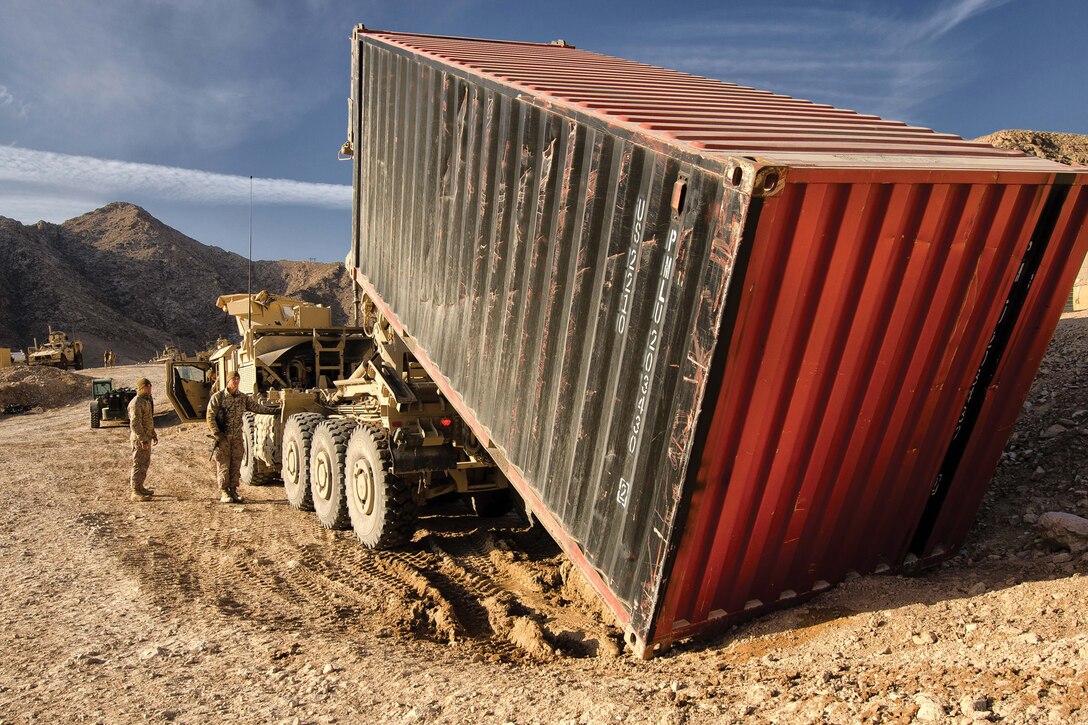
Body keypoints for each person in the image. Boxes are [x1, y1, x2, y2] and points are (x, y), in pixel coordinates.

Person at [206, 370, 277, 503]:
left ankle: (233, 491)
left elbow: (257, 408)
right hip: (223, 438)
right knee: (223, 465)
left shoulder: (242, 398)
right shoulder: (218, 397)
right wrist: (217, 433)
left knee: (236, 464)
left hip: (237, 438)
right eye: (234, 379)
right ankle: (224, 492)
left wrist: (275, 411)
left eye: (238, 379)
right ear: (228, 381)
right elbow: (210, 416)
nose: (236, 382)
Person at [128, 377, 157, 501]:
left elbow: (148, 420)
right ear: (141, 388)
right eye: (147, 386)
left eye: (150, 386)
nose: (150, 388)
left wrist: (153, 434)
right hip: (139, 439)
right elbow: (135, 423)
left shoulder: (146, 400)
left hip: (146, 436)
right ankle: (135, 491)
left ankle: (140, 486)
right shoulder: (136, 402)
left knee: (145, 463)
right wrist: (143, 439)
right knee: (138, 463)